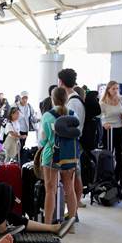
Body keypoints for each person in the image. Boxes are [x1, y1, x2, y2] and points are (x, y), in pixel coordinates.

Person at [38, 87, 78, 228]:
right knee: (70, 189)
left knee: (50, 190)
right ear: (67, 99)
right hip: (69, 156)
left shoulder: (47, 116)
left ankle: (48, 225)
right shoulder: (74, 115)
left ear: (52, 98)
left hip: (51, 155)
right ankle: (71, 224)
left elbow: (42, 140)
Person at [60, 68, 85, 210]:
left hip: (73, 143)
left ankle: (73, 212)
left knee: (72, 179)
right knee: (74, 176)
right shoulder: (73, 99)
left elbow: (70, 126)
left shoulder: (73, 102)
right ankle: (73, 211)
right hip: (73, 142)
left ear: (61, 82)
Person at [100, 81, 122, 186]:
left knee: (120, 155)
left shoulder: (121, 99)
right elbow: (101, 117)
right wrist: (104, 123)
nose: (116, 91)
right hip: (109, 130)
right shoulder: (103, 102)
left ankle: (118, 178)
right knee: (108, 154)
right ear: (108, 90)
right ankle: (107, 178)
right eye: (113, 89)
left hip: (120, 129)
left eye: (117, 88)